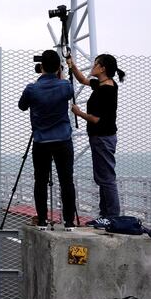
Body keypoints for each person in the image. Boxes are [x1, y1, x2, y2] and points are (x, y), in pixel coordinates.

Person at [18, 49, 77, 230]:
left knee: (40, 181)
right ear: (58, 67)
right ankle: (68, 222)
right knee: (66, 180)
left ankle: (42, 220)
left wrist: (38, 83)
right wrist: (61, 73)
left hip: (41, 141)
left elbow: (22, 106)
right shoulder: (65, 86)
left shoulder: (32, 89)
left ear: (41, 66)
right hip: (63, 140)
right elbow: (68, 89)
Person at [67, 54, 126, 222]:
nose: (92, 67)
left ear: (103, 68)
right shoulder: (102, 85)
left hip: (102, 137)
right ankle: (105, 215)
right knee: (103, 177)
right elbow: (82, 80)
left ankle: (111, 217)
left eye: (95, 64)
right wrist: (72, 65)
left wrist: (79, 113)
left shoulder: (106, 90)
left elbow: (97, 119)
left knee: (106, 179)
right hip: (101, 137)